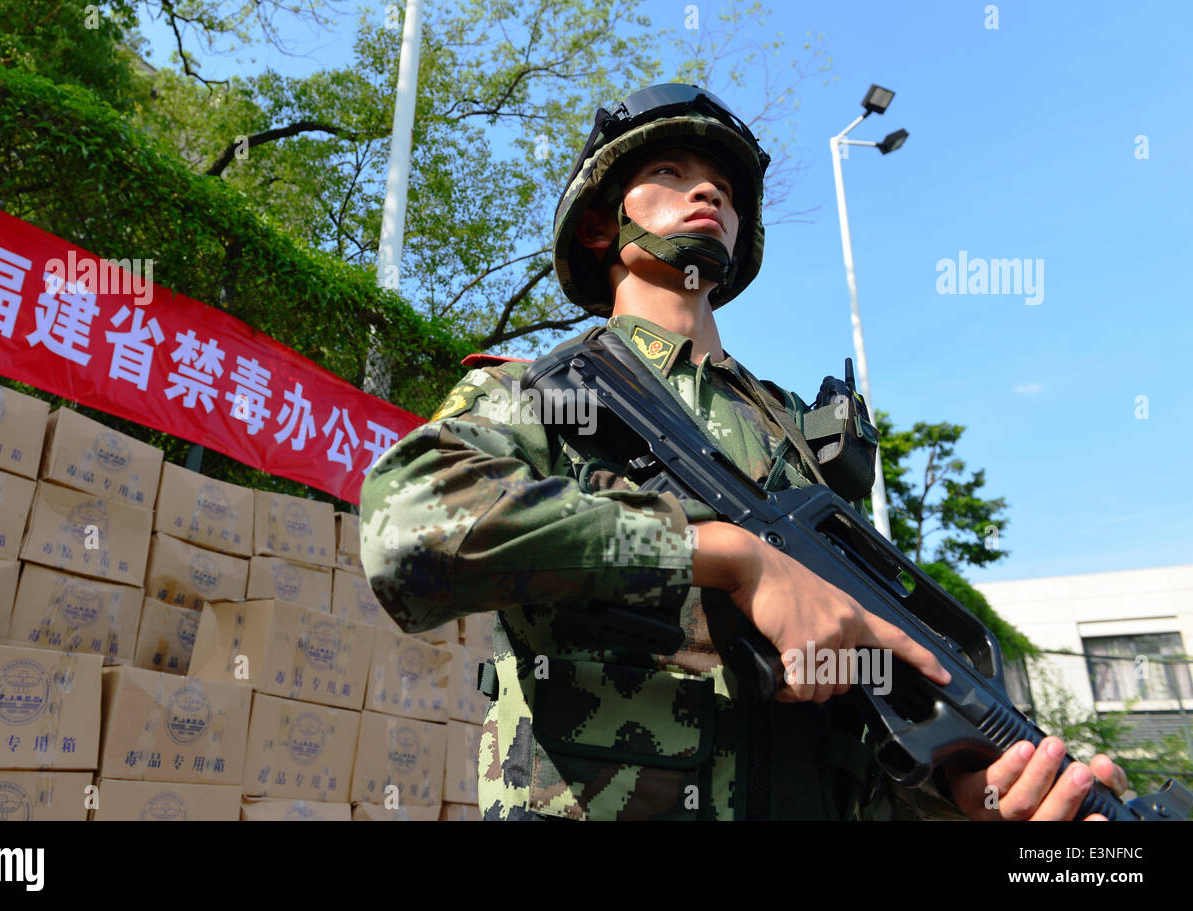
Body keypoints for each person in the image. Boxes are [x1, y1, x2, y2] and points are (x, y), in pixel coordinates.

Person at [359, 84, 1128, 820]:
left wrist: (967, 796)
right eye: (669, 173)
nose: (710, 193)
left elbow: (858, 733)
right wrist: (727, 554)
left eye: (724, 185)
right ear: (601, 226)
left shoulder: (799, 437)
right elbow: (407, 525)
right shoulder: (545, 393)